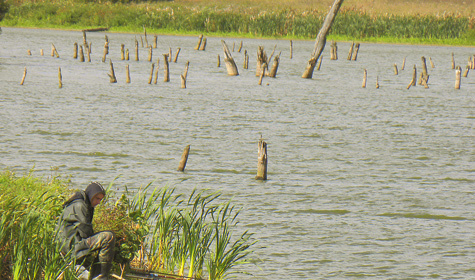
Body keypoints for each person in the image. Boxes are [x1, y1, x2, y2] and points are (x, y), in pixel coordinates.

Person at [56, 182, 115, 280]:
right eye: (97, 198)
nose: (99, 202)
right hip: (70, 246)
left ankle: (96, 276)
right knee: (108, 237)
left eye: (100, 199)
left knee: (105, 236)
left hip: (70, 243)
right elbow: (86, 233)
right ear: (91, 195)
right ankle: (100, 277)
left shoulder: (83, 203)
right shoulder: (80, 206)